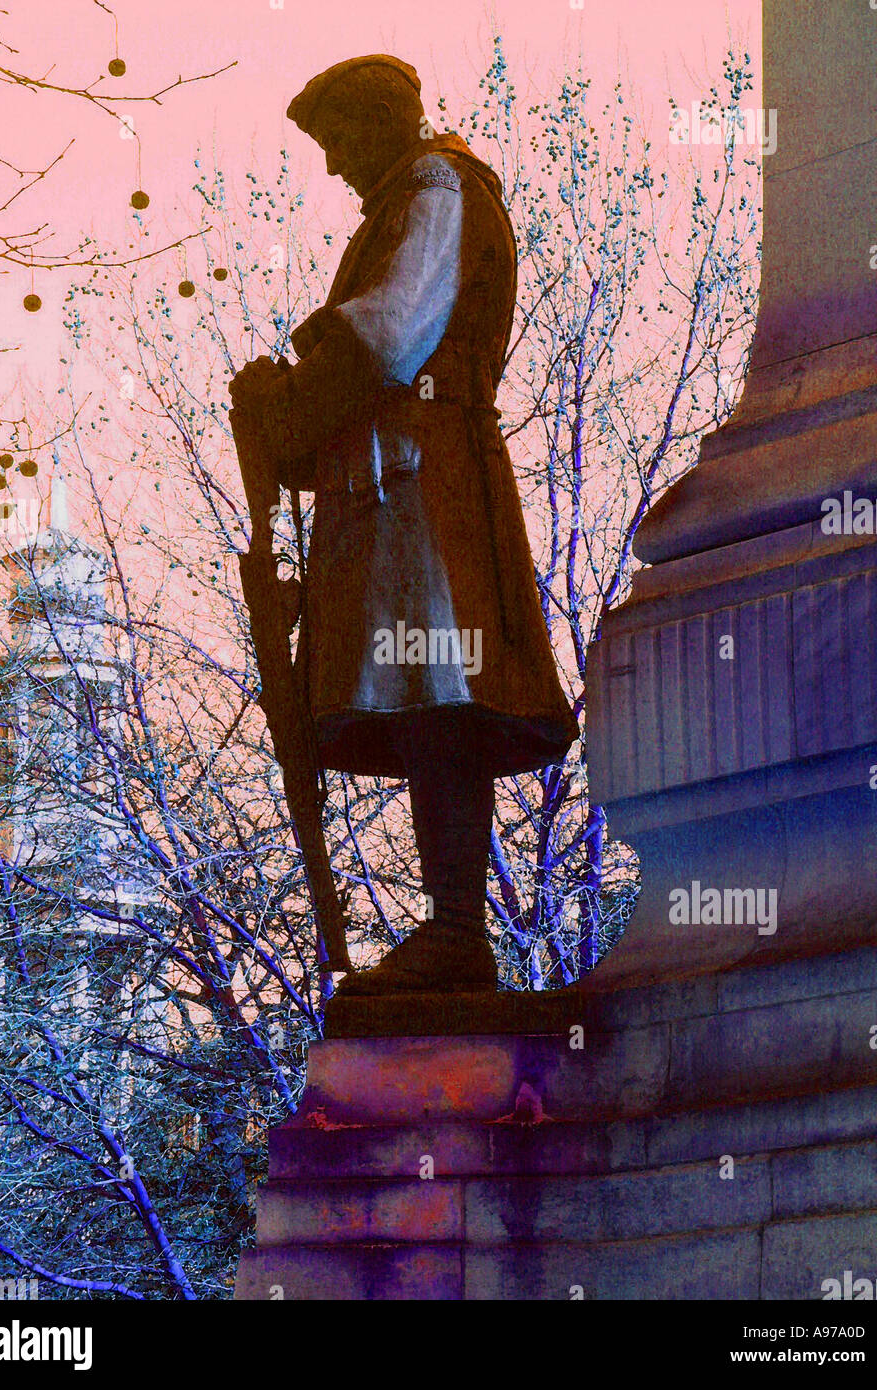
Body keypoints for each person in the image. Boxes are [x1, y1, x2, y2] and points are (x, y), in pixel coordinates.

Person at [229, 55, 577, 995]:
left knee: (440, 694)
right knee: (428, 695)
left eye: (340, 137)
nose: (335, 163)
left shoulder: (435, 186)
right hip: (402, 479)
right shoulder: (410, 194)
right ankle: (452, 929)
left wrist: (290, 399)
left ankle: (459, 931)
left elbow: (391, 332)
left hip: (427, 483)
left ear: (386, 120)